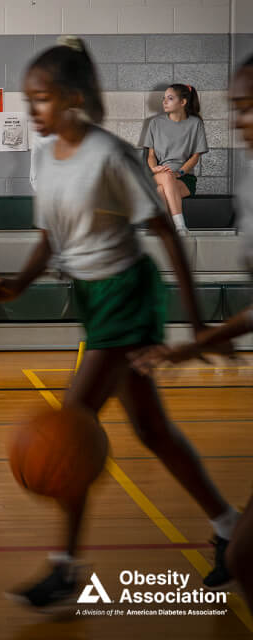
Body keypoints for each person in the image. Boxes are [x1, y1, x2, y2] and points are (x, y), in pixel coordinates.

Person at [0, 36, 239, 612]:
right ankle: (228, 526)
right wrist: (17, 286)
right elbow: (51, 237)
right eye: (29, 101)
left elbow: (167, 234)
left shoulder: (111, 155)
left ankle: (64, 570)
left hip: (126, 295)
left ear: (72, 98)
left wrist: (196, 325)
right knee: (151, 431)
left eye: (42, 99)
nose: (33, 112)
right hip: (93, 298)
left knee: (71, 428)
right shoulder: (46, 156)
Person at [132, 53, 253, 610]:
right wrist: (196, 344)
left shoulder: (203, 140)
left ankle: (232, 536)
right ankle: (232, 535)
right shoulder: (249, 189)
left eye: (250, 107)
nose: (243, 119)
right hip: (164, 179)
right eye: (239, 109)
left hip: (178, 180)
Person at [144, 84, 208, 235]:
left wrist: (179, 172)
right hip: (159, 174)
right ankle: (180, 226)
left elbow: (195, 156)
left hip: (185, 179)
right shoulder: (155, 123)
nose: (164, 102)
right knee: (165, 178)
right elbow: (151, 156)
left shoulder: (195, 123)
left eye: (170, 98)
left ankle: (163, 231)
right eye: (164, 98)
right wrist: (155, 168)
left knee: (161, 190)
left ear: (183, 102)